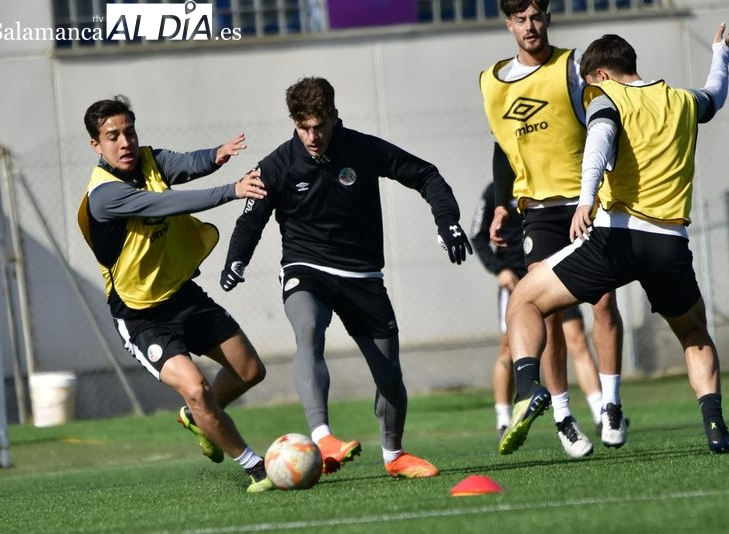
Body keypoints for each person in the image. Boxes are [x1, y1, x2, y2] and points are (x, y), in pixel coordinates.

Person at [500, 24, 729, 455]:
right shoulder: (682, 101)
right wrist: (720, 55)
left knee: (525, 299)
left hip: (617, 238)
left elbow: (599, 140)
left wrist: (585, 199)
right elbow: (715, 96)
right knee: (693, 332)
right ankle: (716, 428)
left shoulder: (605, 96)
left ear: (602, 75)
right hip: (670, 244)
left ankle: (526, 389)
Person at [220, 76, 472, 479]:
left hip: (363, 275)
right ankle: (323, 437)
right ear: (294, 123)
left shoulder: (363, 149)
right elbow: (252, 218)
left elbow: (427, 175)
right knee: (308, 330)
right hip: (307, 267)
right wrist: (236, 260)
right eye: (303, 127)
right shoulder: (278, 165)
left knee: (390, 375)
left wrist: (447, 222)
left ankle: (394, 456)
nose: (312, 136)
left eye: (319, 125)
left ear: (335, 117)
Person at [77, 95, 275, 493]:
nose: (125, 142)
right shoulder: (104, 195)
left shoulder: (151, 159)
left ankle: (195, 416)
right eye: (112, 136)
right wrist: (231, 190)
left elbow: (184, 164)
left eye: (129, 131)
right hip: (141, 315)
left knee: (250, 371)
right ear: (96, 146)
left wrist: (216, 155)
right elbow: (165, 202)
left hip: (182, 295)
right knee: (198, 387)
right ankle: (257, 470)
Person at [480, 0, 626, 458]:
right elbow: (503, 149)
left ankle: (612, 404)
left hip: (587, 204)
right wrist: (501, 206)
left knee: (603, 301)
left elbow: (605, 122)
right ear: (508, 24)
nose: (530, 26)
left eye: (536, 16)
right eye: (520, 19)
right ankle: (563, 415)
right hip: (538, 212)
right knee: (547, 313)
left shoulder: (571, 66)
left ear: (547, 18)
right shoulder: (491, 82)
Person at [470, 181, 604, 440]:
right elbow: (477, 235)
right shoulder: (495, 192)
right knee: (508, 350)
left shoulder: (544, 181)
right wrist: (499, 269)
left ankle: (600, 413)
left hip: (552, 276)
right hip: (517, 281)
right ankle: (503, 419)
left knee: (576, 338)